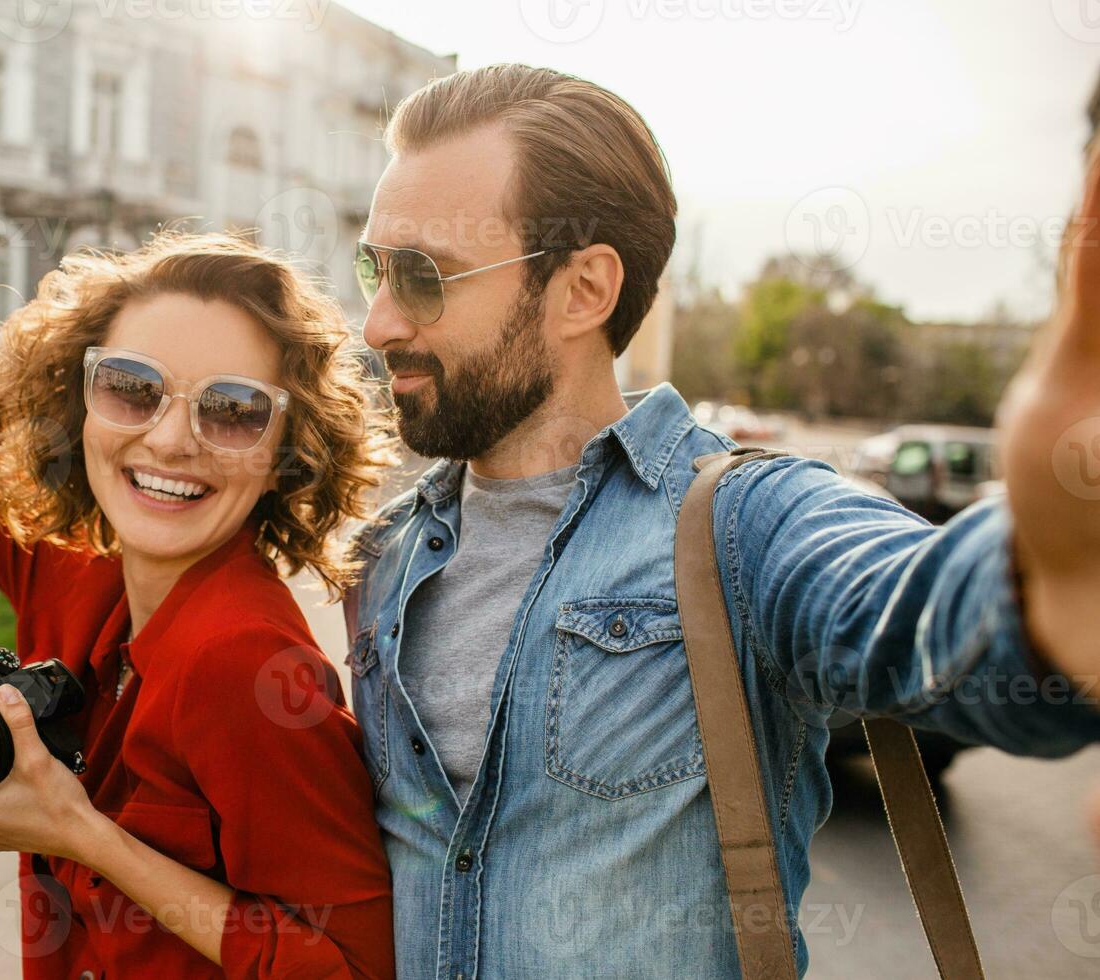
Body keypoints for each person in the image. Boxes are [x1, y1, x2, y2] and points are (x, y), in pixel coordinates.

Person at [343, 63, 1100, 978]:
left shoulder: (744, 525)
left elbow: (919, 614)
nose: (378, 320)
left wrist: (1058, 568)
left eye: (423, 277)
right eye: (374, 268)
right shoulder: (384, 559)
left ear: (583, 290)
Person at [0, 232, 396, 978]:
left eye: (234, 407)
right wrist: (82, 312)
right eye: (129, 386)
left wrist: (83, 836)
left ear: (284, 453)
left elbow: (353, 964)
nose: (173, 439)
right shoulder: (78, 573)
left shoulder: (247, 666)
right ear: (75, 398)